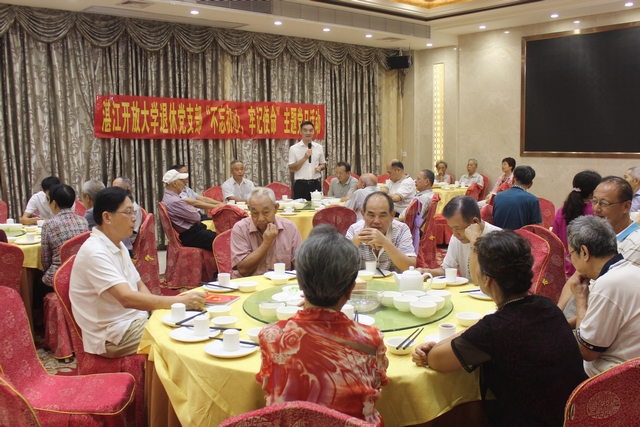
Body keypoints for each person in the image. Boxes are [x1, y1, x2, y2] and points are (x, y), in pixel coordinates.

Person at [412, 231, 587, 426]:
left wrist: (434, 348)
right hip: (572, 416)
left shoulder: (496, 328)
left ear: (487, 279)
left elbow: (436, 360)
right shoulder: (546, 306)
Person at [257, 231, 388, 425]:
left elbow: (267, 383)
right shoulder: (370, 339)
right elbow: (379, 381)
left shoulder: (271, 336)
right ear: (351, 289)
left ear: (300, 283)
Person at [70, 186, 205, 358]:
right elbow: (126, 298)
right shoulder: (95, 252)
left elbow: (139, 284)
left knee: (194, 320)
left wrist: (156, 311)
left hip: (134, 319)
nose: (134, 218)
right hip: (114, 334)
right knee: (181, 336)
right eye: (128, 213)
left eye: (133, 212)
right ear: (107, 217)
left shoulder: (117, 243)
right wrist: (177, 301)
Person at [558, 177, 640, 321]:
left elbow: (611, 302)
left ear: (626, 206)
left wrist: (562, 325)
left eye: (604, 203)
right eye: (594, 201)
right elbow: (576, 276)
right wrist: (557, 315)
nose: (596, 208)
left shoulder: (635, 244)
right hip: (579, 310)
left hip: (599, 316)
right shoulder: (598, 234)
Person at [568, 215, 640, 376]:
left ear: (584, 252)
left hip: (616, 378)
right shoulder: (630, 271)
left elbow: (586, 351)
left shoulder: (609, 284)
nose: (571, 260)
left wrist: (580, 299)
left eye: (571, 253)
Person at [418, 196, 501, 280]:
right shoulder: (457, 237)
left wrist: (474, 242)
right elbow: (447, 270)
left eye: (458, 228)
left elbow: (480, 280)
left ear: (475, 222)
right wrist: (427, 272)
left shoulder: (498, 239)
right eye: (451, 228)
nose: (454, 234)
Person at [231, 187, 302, 278]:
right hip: (248, 284)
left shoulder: (289, 228)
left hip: (281, 283)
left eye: (266, 212)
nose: (260, 219)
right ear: (249, 209)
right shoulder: (240, 229)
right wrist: (266, 243)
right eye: (255, 213)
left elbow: (301, 266)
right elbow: (242, 270)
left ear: (276, 208)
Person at [346, 192, 416, 272]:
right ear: (363, 214)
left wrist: (385, 242)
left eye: (382, 216)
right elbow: (341, 269)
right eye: (371, 215)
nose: (376, 221)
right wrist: (354, 244)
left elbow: (410, 268)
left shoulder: (401, 229)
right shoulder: (354, 230)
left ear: (392, 215)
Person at [552, 170, 601, 276]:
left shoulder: (562, 211)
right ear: (593, 192)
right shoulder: (596, 212)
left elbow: (554, 240)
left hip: (565, 267)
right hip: (589, 270)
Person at [41, 184, 89, 287]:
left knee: (37, 283)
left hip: (58, 275)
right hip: (80, 272)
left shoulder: (49, 225)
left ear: (54, 203)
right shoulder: (83, 220)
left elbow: (45, 259)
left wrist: (46, 273)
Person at [161, 169, 216, 251]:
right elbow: (196, 217)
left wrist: (192, 209)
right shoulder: (175, 201)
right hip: (193, 235)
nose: (184, 184)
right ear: (174, 184)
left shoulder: (169, 197)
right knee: (223, 239)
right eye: (181, 181)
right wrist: (193, 210)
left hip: (192, 232)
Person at [492, 165, 541, 230]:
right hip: (518, 236)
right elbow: (535, 227)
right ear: (530, 184)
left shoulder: (498, 196)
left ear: (513, 179)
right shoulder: (532, 200)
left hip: (497, 235)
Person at [288, 121, 326, 200]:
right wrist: (305, 158)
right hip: (301, 185)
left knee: (316, 206)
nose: (308, 133)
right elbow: (292, 168)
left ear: (313, 132)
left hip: (315, 184)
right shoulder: (294, 148)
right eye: (305, 130)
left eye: (310, 130)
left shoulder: (318, 147)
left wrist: (320, 167)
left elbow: (323, 164)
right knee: (300, 207)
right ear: (301, 131)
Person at [112, 176, 143, 253]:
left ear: (127, 188)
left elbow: (132, 235)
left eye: (117, 188)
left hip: (125, 246)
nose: (114, 191)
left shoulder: (135, 209)